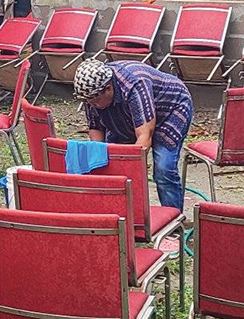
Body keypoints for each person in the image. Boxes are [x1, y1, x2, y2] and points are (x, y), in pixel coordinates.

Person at [72, 58, 194, 210]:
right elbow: (96, 133)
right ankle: (123, 217)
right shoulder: (92, 94)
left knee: (163, 169)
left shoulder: (134, 85)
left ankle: (173, 219)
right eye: (88, 102)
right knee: (111, 163)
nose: (92, 106)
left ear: (108, 88)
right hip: (128, 115)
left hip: (171, 110)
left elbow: (144, 136)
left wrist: (132, 169)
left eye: (95, 101)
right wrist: (97, 162)